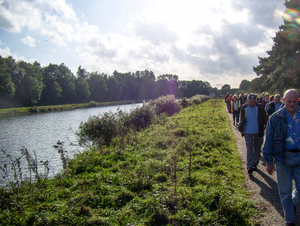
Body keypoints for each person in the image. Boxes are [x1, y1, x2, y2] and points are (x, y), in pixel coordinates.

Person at [263, 89, 300, 226]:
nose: (291, 104)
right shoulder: (275, 118)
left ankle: (293, 202)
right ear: (283, 101)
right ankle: (290, 221)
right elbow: (269, 141)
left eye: (294, 101)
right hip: (283, 158)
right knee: (285, 191)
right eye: (289, 101)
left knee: (296, 192)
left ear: (298, 101)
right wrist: (269, 162)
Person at [238, 93, 268, 175]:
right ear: (247, 100)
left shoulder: (260, 108)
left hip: (258, 131)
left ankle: (255, 164)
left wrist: (267, 124)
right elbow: (242, 119)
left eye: (253, 101)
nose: (252, 103)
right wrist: (241, 128)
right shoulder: (244, 108)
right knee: (250, 149)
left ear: (256, 101)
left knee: (257, 149)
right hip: (248, 131)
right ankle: (250, 166)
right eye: (250, 101)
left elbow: (265, 118)